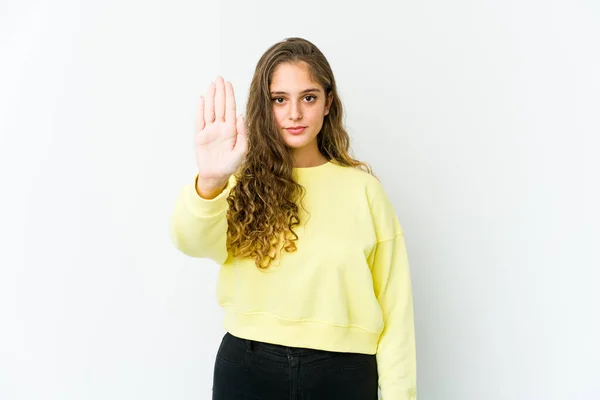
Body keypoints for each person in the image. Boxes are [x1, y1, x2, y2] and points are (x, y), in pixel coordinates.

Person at [169, 37, 417, 400]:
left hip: (342, 373)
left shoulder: (364, 191)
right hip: (248, 367)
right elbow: (189, 241)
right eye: (279, 99)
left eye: (309, 97)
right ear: (263, 105)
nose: (295, 114)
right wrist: (210, 180)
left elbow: (397, 310)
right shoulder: (236, 181)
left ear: (328, 103)